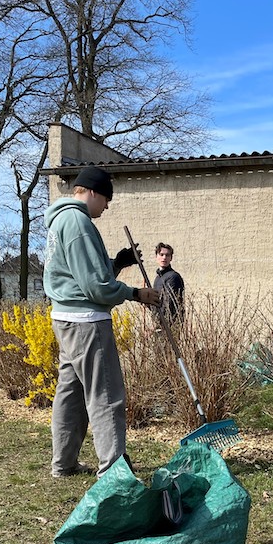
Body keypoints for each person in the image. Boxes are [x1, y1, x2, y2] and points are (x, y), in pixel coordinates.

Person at [44, 166, 160, 478]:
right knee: (106, 394)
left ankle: (63, 463)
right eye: (107, 199)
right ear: (93, 192)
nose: (107, 206)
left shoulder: (61, 220)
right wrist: (135, 293)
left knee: (70, 394)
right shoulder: (78, 222)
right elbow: (96, 287)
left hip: (66, 318)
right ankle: (113, 469)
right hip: (87, 322)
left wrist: (117, 263)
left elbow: (81, 271)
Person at [153, 242, 184, 323]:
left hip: (170, 323)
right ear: (156, 257)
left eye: (167, 255)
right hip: (159, 321)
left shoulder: (173, 277)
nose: (164, 258)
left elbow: (169, 304)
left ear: (171, 258)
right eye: (161, 254)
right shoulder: (158, 278)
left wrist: (161, 322)